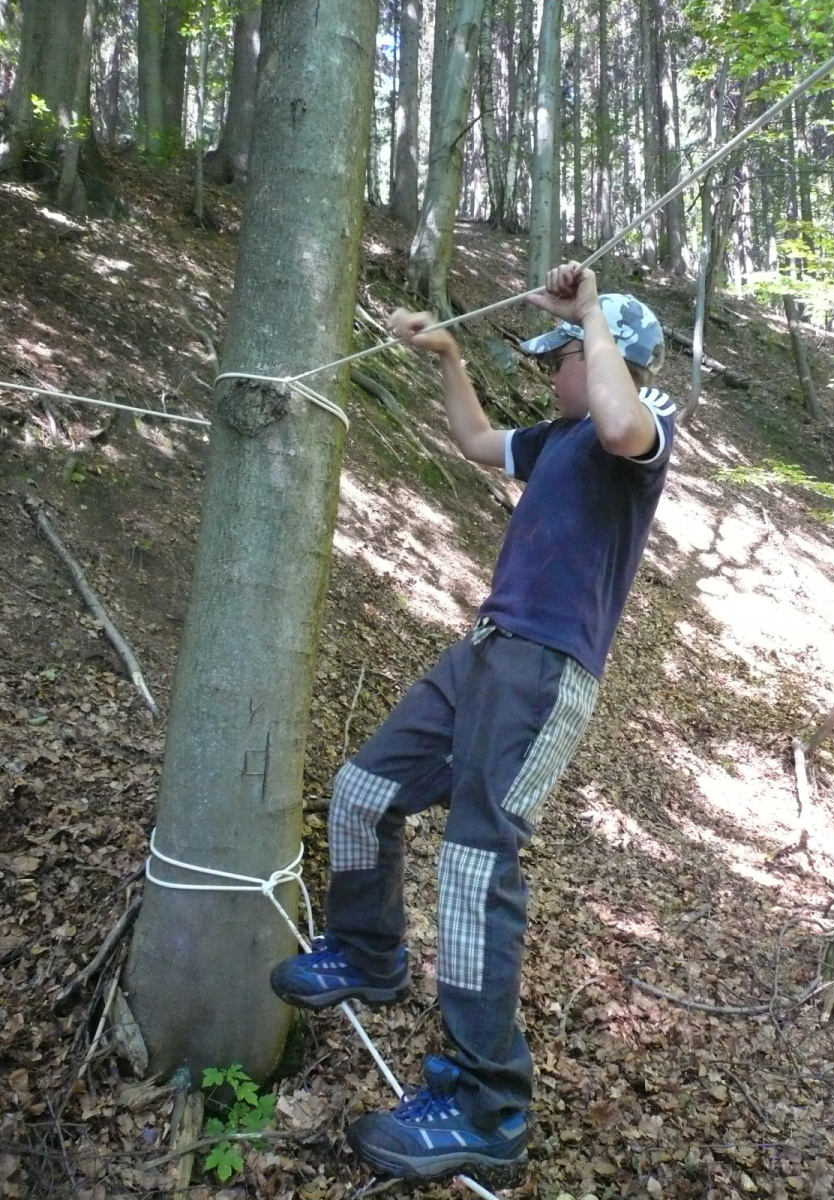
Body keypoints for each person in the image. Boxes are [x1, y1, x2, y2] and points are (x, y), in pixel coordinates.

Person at [270, 262, 676, 1181]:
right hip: (484, 652)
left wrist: (590, 315)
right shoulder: (558, 437)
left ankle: (489, 1108)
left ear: (601, 356)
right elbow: (475, 441)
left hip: (545, 670)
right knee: (362, 792)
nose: (551, 376)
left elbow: (621, 422)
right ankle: (369, 952)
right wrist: (449, 358)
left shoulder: (638, 428)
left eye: (559, 360)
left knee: (473, 863)